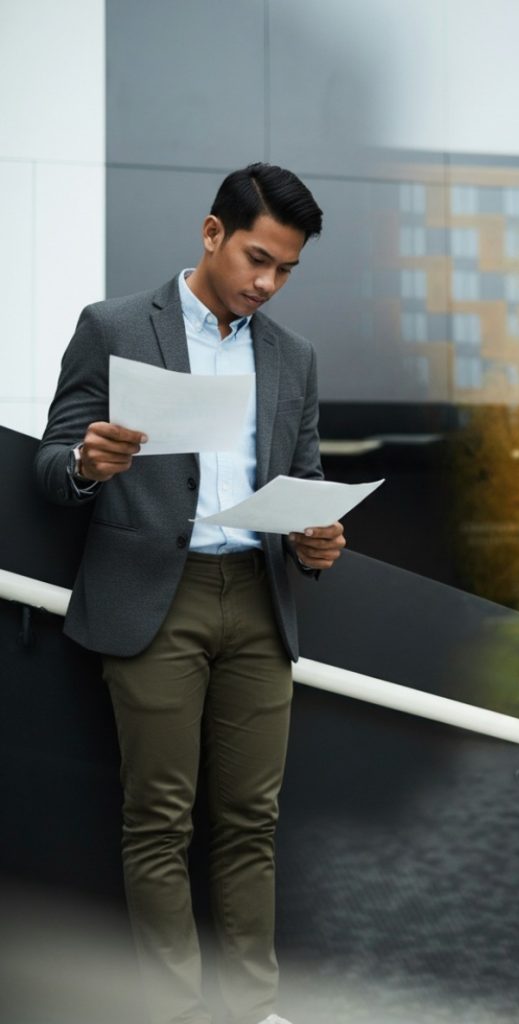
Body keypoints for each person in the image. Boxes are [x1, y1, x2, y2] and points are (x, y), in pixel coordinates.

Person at [35, 163, 345, 1024]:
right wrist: (87, 466)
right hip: (149, 599)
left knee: (251, 821)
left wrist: (316, 539)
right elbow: (52, 463)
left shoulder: (293, 356)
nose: (266, 283)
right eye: (256, 258)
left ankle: (252, 1012)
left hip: (257, 599)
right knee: (159, 820)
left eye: (284, 270)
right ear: (212, 234)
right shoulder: (115, 326)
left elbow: (306, 477)